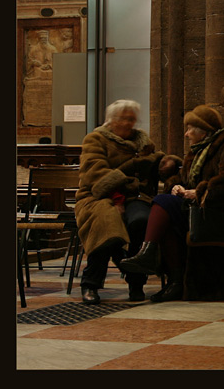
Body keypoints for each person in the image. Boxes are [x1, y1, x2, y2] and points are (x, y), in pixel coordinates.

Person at [119, 105, 224, 302]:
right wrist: (176, 185)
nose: (186, 133)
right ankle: (176, 282)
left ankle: (148, 254)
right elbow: (185, 179)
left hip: (222, 213)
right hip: (200, 210)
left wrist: (199, 191)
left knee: (161, 201)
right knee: (166, 217)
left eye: (190, 128)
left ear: (204, 130)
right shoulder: (197, 152)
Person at [74, 99, 171, 304]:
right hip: (97, 196)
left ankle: (136, 283)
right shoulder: (96, 139)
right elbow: (95, 175)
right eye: (124, 119)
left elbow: (158, 167)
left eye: (132, 119)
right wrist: (117, 198)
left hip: (136, 196)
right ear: (112, 120)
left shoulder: (143, 143)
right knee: (107, 224)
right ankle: (90, 283)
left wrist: (170, 171)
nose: (129, 123)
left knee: (141, 221)